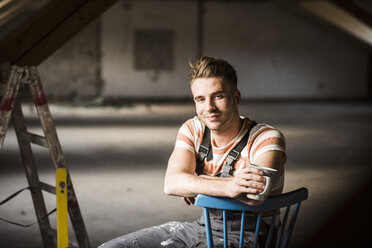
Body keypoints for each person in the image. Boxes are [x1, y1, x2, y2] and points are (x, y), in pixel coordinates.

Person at [99, 56, 286, 248]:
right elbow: (171, 183)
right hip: (202, 228)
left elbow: (254, 195)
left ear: (236, 97)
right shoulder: (194, 128)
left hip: (248, 237)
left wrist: (194, 182)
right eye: (201, 99)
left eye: (218, 96)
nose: (209, 107)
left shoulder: (266, 138)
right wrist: (229, 186)